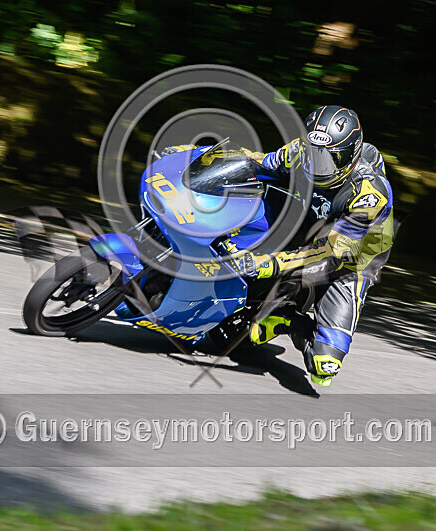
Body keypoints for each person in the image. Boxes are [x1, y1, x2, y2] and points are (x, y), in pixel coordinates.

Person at [164, 105, 395, 387]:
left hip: (349, 259)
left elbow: (330, 253)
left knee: (325, 366)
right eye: (314, 156)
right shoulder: (300, 151)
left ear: (349, 156)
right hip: (305, 219)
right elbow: (258, 161)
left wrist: (270, 264)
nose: (318, 167)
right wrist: (191, 155)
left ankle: (287, 319)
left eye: (328, 161)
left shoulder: (369, 194)